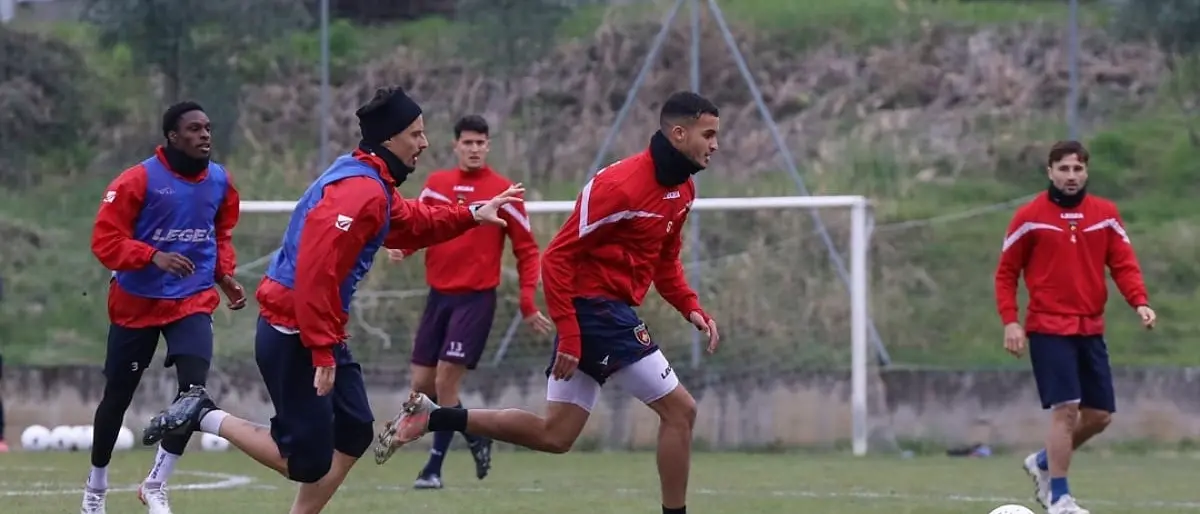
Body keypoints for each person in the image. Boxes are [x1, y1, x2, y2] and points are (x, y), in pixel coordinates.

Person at [140, 87, 524, 514]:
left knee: (357, 431)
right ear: (389, 139)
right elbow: (314, 269)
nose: (425, 143)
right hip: (294, 330)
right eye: (415, 134)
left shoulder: (371, 179)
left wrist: (470, 214)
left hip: (316, 326)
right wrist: (323, 350)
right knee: (305, 462)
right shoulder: (358, 191)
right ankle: (205, 415)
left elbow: (410, 223)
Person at [374, 91, 723, 514]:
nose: (715, 144)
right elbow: (557, 256)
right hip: (597, 313)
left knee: (554, 436)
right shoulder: (619, 185)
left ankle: (433, 416)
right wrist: (572, 335)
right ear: (680, 133)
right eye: (709, 134)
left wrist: (692, 307)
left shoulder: (683, 190)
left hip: (603, 314)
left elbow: (665, 262)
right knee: (681, 411)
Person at [83, 101, 247, 514]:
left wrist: (223, 274)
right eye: (194, 129)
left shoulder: (220, 181)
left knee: (193, 396)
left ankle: (156, 484)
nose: (205, 135)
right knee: (117, 397)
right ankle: (95, 490)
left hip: (190, 300)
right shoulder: (138, 180)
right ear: (172, 136)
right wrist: (151, 255)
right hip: (136, 302)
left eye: (208, 127)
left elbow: (220, 232)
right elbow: (105, 242)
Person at [385, 114, 551, 489]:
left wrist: (527, 303)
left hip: (475, 301)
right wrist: (404, 248)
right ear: (456, 145)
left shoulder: (504, 192)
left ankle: (433, 469)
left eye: (480, 143)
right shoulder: (437, 185)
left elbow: (527, 251)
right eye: (468, 143)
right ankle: (476, 434)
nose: (474, 149)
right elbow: (420, 225)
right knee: (421, 384)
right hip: (438, 298)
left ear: (488, 146)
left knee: (445, 383)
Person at [994, 140, 1156, 514]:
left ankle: (1044, 463)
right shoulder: (1029, 216)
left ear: (1086, 172)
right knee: (1066, 408)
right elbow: (1006, 273)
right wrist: (1011, 321)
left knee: (1099, 416)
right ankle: (1060, 498)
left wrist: (1140, 301)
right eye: (1063, 169)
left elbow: (1124, 264)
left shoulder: (1105, 214)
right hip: (1049, 327)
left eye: (1078, 169)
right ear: (1050, 171)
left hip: (1090, 328)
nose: (1071, 176)